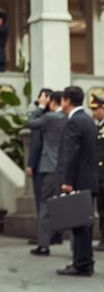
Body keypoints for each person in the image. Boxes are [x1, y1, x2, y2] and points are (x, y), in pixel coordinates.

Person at [56, 86, 98, 276]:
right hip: (90, 179)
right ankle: (85, 261)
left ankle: (81, 264)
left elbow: (71, 154)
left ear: (66, 100)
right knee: (85, 224)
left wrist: (67, 180)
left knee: (79, 224)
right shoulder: (89, 120)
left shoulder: (74, 122)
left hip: (78, 180)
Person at [26, 91, 67, 256]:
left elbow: (30, 122)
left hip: (50, 167)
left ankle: (43, 245)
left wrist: (41, 106)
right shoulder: (69, 118)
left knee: (45, 206)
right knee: (66, 205)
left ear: (52, 102)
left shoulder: (50, 117)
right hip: (66, 168)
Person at [92, 95, 104, 251]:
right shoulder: (97, 127)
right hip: (99, 175)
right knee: (101, 209)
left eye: (98, 109)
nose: (95, 112)